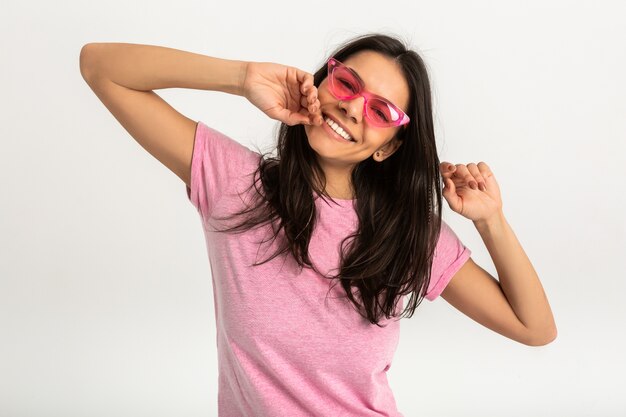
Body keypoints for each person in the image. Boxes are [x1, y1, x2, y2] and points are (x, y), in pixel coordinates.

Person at [80, 32, 557, 417]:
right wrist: (241, 77)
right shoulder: (235, 184)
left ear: (387, 146)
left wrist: (491, 220)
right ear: (324, 81)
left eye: (381, 110)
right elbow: (99, 66)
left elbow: (535, 328)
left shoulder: (406, 233)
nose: (353, 108)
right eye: (348, 83)